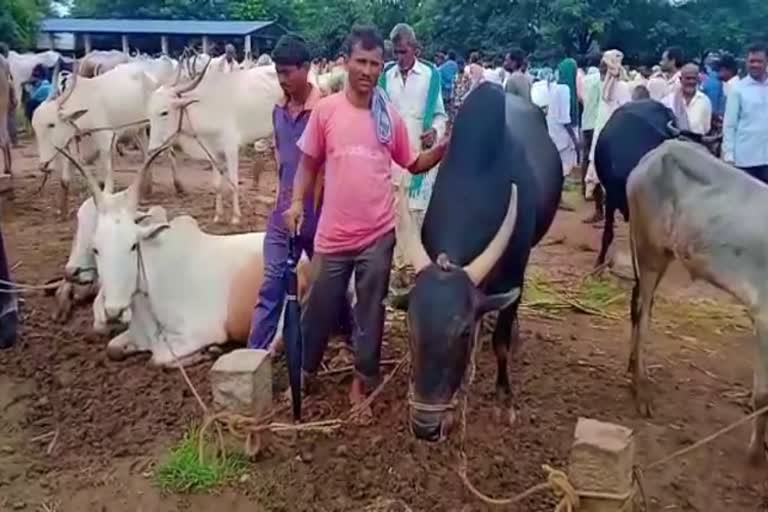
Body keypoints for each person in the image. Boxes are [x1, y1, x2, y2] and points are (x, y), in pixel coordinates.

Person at [283, 26, 449, 411]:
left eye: (376, 64)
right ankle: (304, 370)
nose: (368, 71)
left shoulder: (387, 115)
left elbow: (412, 162)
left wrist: (443, 148)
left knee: (370, 311)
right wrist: (295, 203)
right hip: (333, 235)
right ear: (346, 62)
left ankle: (363, 379)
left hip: (378, 234)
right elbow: (307, 163)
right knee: (319, 306)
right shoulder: (326, 111)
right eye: (361, 61)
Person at [246, 35, 351, 351]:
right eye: (278, 72)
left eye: (287, 72)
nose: (282, 80)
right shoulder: (278, 111)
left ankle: (348, 339)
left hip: (320, 217)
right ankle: (255, 356)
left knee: (329, 287)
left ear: (306, 69)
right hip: (284, 216)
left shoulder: (327, 111)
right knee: (272, 284)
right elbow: (282, 162)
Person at [379, 23, 447, 235]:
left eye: (404, 52)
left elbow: (440, 115)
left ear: (415, 49)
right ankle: (397, 265)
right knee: (391, 216)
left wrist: (435, 132)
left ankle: (412, 265)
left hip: (420, 158)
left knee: (417, 215)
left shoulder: (430, 75)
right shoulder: (386, 77)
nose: (399, 57)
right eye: (396, 52)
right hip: (390, 161)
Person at [584, 49, 632, 221]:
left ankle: (621, 210)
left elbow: (625, 112)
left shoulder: (624, 87)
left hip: (616, 136)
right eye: (602, 66)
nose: (603, 70)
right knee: (596, 167)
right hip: (600, 133)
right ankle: (599, 210)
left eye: (605, 66)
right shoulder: (603, 85)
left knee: (616, 174)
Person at [723, 42, 768, 183]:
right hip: (746, 159)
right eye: (751, 61)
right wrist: (728, 155)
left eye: (759, 61)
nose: (754, 65)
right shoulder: (737, 89)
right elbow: (729, 125)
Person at [548, 58, 579, 177]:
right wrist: (575, 141)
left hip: (554, 132)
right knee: (565, 169)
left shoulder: (555, 87)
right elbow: (565, 119)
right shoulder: (565, 90)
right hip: (563, 136)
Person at [662, 63, 712, 136]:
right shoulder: (668, 101)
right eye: (688, 78)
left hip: (697, 145)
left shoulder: (704, 101)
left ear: (698, 79)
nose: (691, 82)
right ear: (680, 79)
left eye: (694, 78)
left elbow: (706, 128)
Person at [580, 55, 602, 192]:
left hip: (586, 121)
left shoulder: (583, 80)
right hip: (598, 122)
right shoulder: (601, 79)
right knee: (597, 157)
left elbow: (581, 100)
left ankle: (584, 188)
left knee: (586, 156)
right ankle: (597, 190)